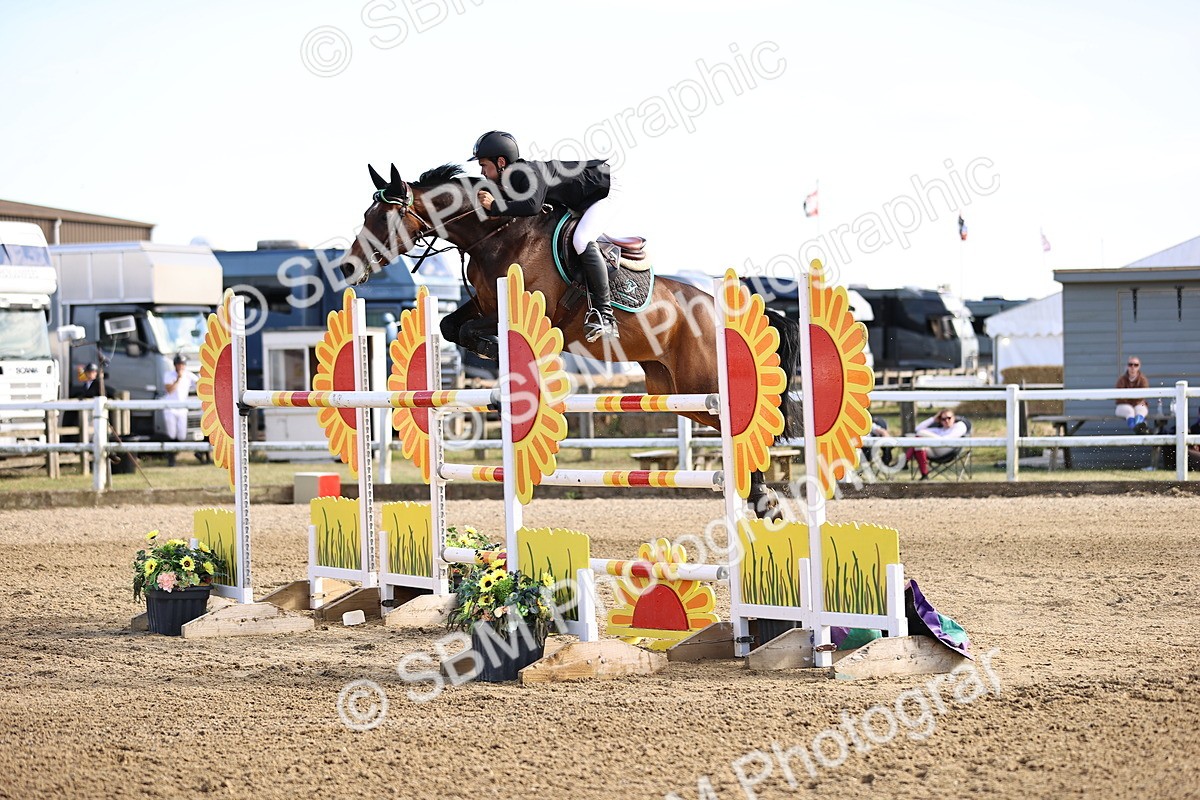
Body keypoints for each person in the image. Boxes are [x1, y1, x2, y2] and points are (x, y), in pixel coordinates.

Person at [469, 130, 618, 343]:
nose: (482, 172)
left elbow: (532, 205)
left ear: (500, 161)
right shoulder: (512, 178)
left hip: (608, 190)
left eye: (484, 165)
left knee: (581, 240)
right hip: (584, 196)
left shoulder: (525, 172)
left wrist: (494, 205)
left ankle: (605, 315)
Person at [905, 409, 968, 480]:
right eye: (943, 419)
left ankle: (905, 460)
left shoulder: (959, 426)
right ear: (940, 420)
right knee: (919, 443)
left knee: (920, 435)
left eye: (949, 418)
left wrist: (926, 436)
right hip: (935, 451)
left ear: (954, 418)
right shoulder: (939, 430)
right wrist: (933, 419)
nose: (946, 420)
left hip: (949, 450)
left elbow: (946, 439)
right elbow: (917, 429)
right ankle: (924, 475)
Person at [162, 354, 198, 467]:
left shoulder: (188, 375)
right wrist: (178, 379)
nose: (180, 367)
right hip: (170, 408)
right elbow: (169, 390)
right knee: (171, 434)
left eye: (182, 364)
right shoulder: (169, 375)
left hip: (182, 408)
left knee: (182, 435)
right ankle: (171, 458)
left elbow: (198, 382)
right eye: (179, 364)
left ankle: (175, 453)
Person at [1115, 356, 1150, 434]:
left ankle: (1138, 427)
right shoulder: (1121, 380)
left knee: (1140, 410)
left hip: (1139, 404)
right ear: (1127, 366)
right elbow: (1119, 398)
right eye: (1130, 364)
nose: (1133, 367)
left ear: (1139, 366)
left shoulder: (1143, 379)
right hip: (1123, 405)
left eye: (1136, 365)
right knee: (1129, 411)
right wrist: (1132, 401)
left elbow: (1143, 396)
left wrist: (1130, 399)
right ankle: (1137, 429)